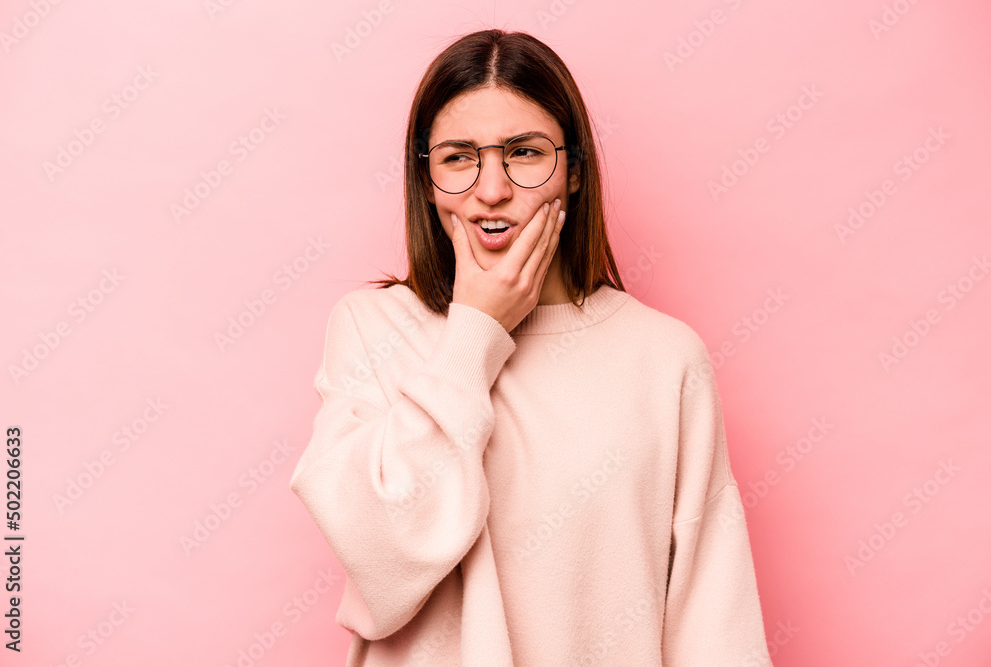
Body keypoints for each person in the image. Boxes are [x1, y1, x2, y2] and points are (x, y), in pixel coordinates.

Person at [289, 28, 772, 666]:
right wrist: (475, 331)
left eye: (524, 153)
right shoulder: (374, 328)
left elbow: (714, 618)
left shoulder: (664, 359)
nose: (492, 190)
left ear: (573, 172)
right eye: (459, 157)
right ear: (427, 180)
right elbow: (383, 556)